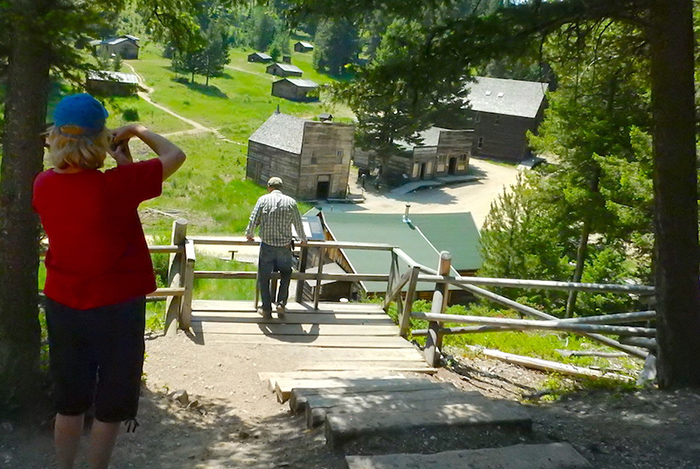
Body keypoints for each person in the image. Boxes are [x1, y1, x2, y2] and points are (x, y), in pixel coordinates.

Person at [32, 93, 186, 469]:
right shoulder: (118, 185)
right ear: (101, 139)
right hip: (117, 307)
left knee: (70, 399)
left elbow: (99, 206)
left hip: (65, 303)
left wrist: (122, 167)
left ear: (55, 137)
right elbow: (175, 155)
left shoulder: (42, 185)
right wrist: (135, 129)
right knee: (111, 402)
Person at [245, 177, 307, 319]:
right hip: (284, 247)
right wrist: (303, 239)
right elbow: (298, 222)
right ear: (281, 188)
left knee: (264, 277)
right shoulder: (291, 202)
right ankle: (281, 304)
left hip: (267, 246)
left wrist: (250, 234)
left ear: (269, 187)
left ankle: (266, 308)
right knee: (286, 274)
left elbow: (253, 218)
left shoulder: (263, 200)